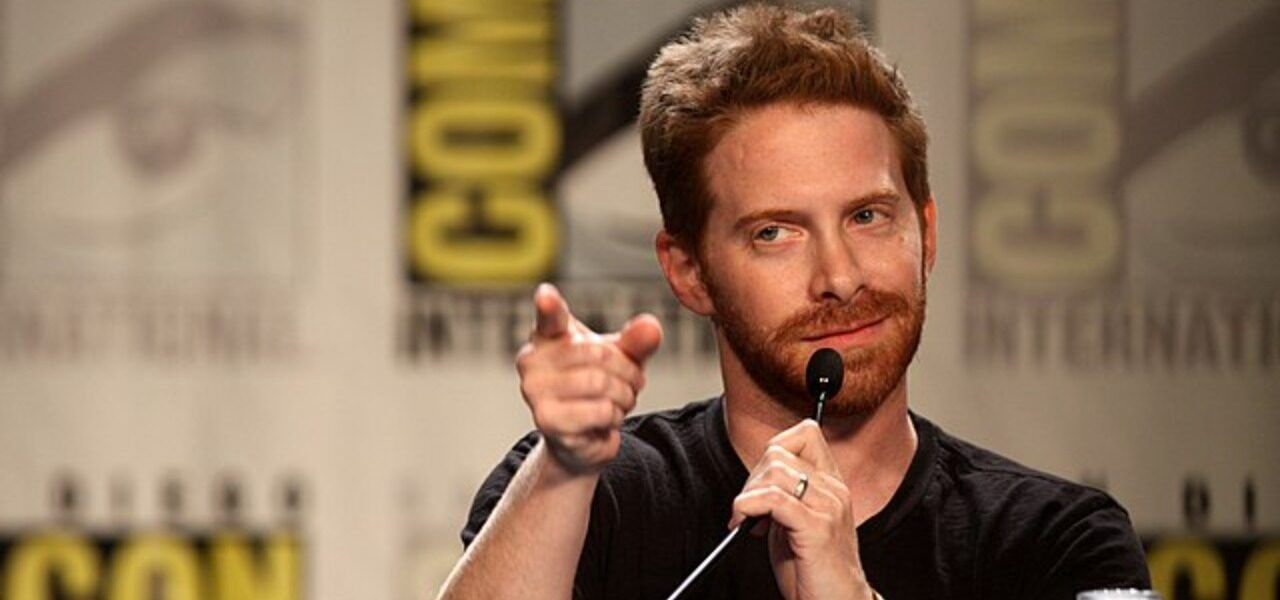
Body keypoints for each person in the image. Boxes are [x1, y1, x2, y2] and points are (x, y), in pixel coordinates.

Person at [437, 4, 1151, 599]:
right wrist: (564, 468)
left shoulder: (1061, 541)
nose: (839, 276)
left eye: (868, 216)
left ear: (927, 233)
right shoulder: (591, 496)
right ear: (688, 271)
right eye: (775, 233)